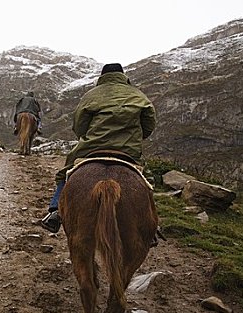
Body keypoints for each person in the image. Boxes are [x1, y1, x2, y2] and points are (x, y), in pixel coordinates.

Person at [41, 63, 156, 234]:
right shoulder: (139, 96)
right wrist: (132, 138)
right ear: (123, 76)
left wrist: (90, 137)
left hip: (91, 148)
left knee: (64, 175)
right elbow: (148, 125)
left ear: (102, 76)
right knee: (146, 182)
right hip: (128, 150)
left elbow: (79, 127)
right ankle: (152, 225)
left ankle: (55, 212)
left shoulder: (91, 96)